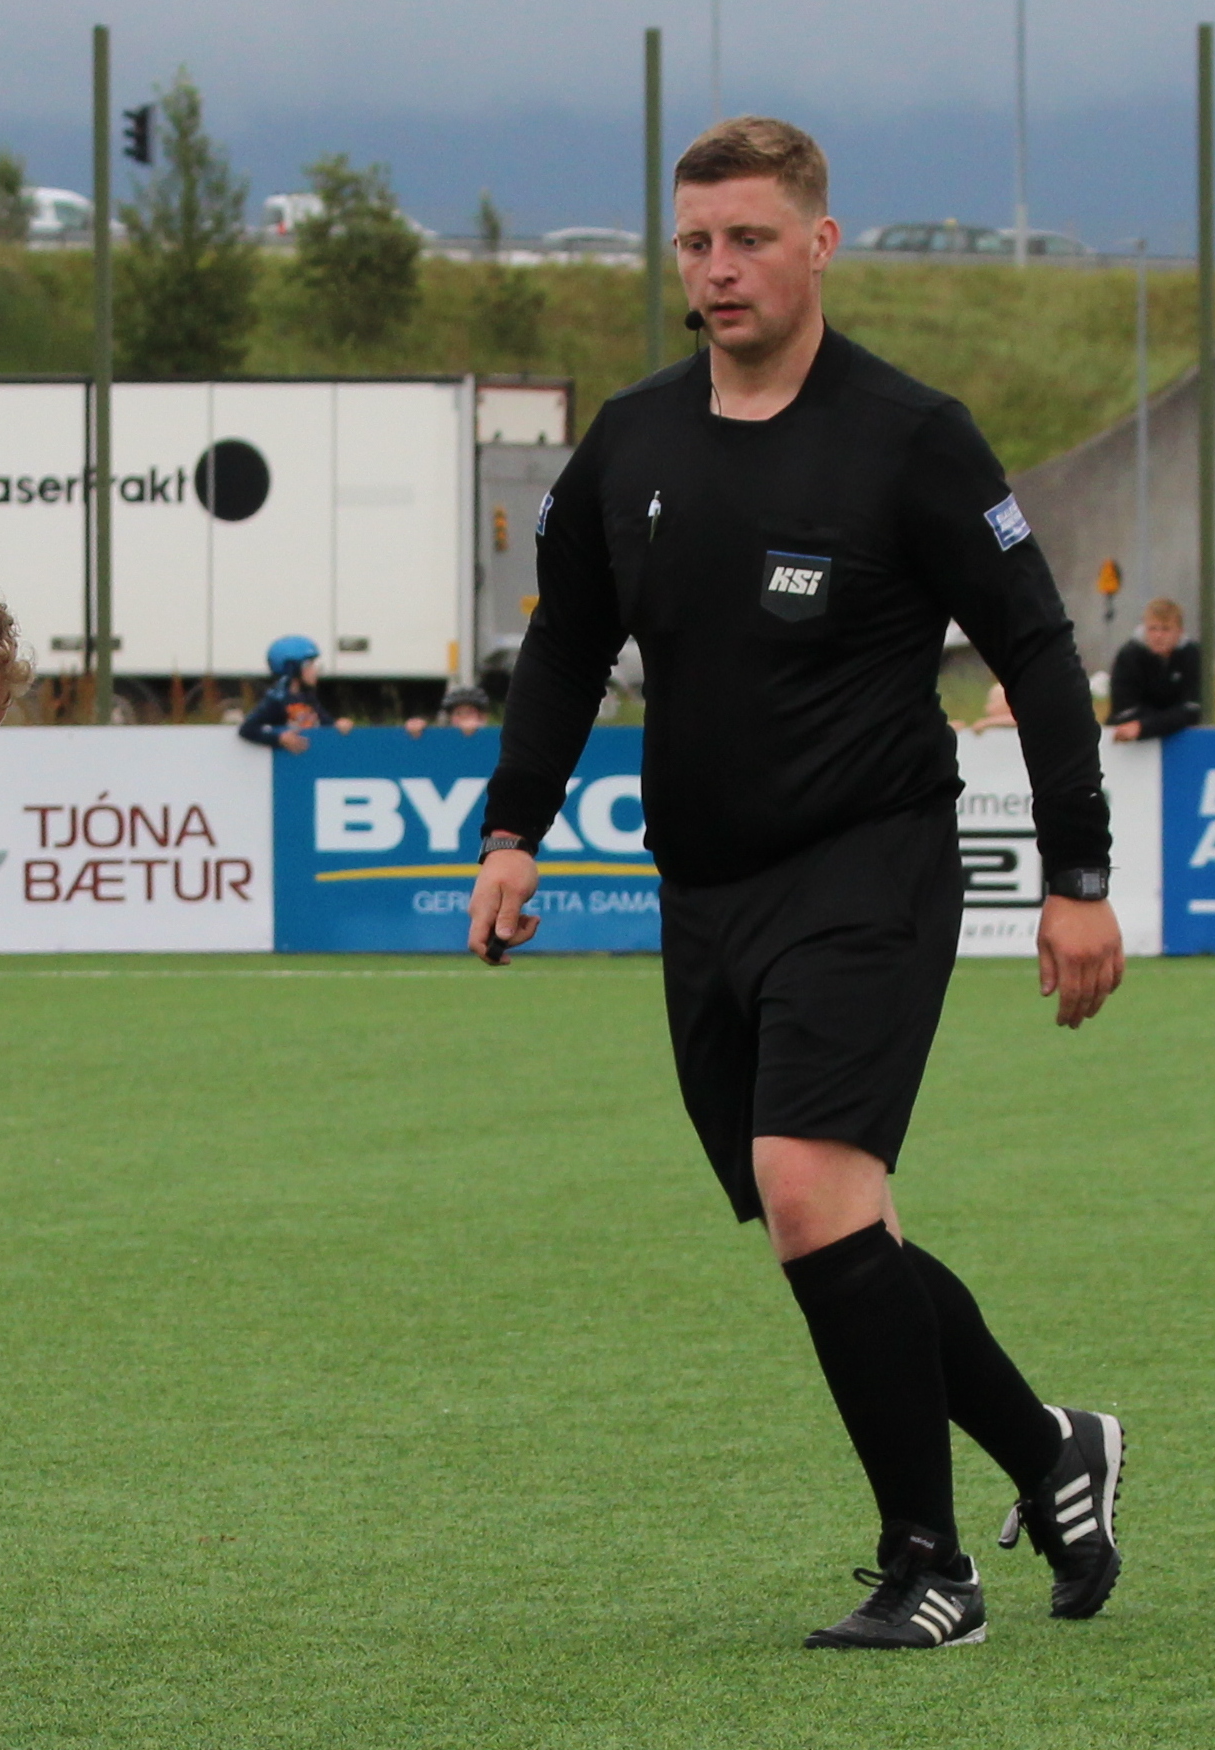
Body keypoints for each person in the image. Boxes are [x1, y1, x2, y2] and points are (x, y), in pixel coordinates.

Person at [467, 116, 1128, 1652]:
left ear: (817, 244)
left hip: (869, 861)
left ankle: (929, 1567)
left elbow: (1035, 647)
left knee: (809, 1186)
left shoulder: (908, 437)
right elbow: (564, 644)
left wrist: (1075, 872)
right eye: (694, 241)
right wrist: (511, 831)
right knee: (825, 1225)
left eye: (748, 238)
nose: (717, 269)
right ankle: (1048, 1447)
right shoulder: (631, 440)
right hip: (702, 890)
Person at [1105, 598, 1204, 741]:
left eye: (1165, 629)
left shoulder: (1192, 655)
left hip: (1180, 739)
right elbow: (1124, 712)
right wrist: (1169, 721)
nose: (1158, 636)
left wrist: (1144, 727)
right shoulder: (1129, 655)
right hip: (1129, 744)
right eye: (1152, 629)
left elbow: (1193, 710)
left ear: (1180, 631)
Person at [236, 635, 348, 752]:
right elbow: (247, 729)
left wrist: (338, 724)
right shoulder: (277, 699)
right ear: (292, 668)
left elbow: (324, 722)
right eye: (309, 665)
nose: (315, 670)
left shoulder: (308, 697)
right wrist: (279, 738)